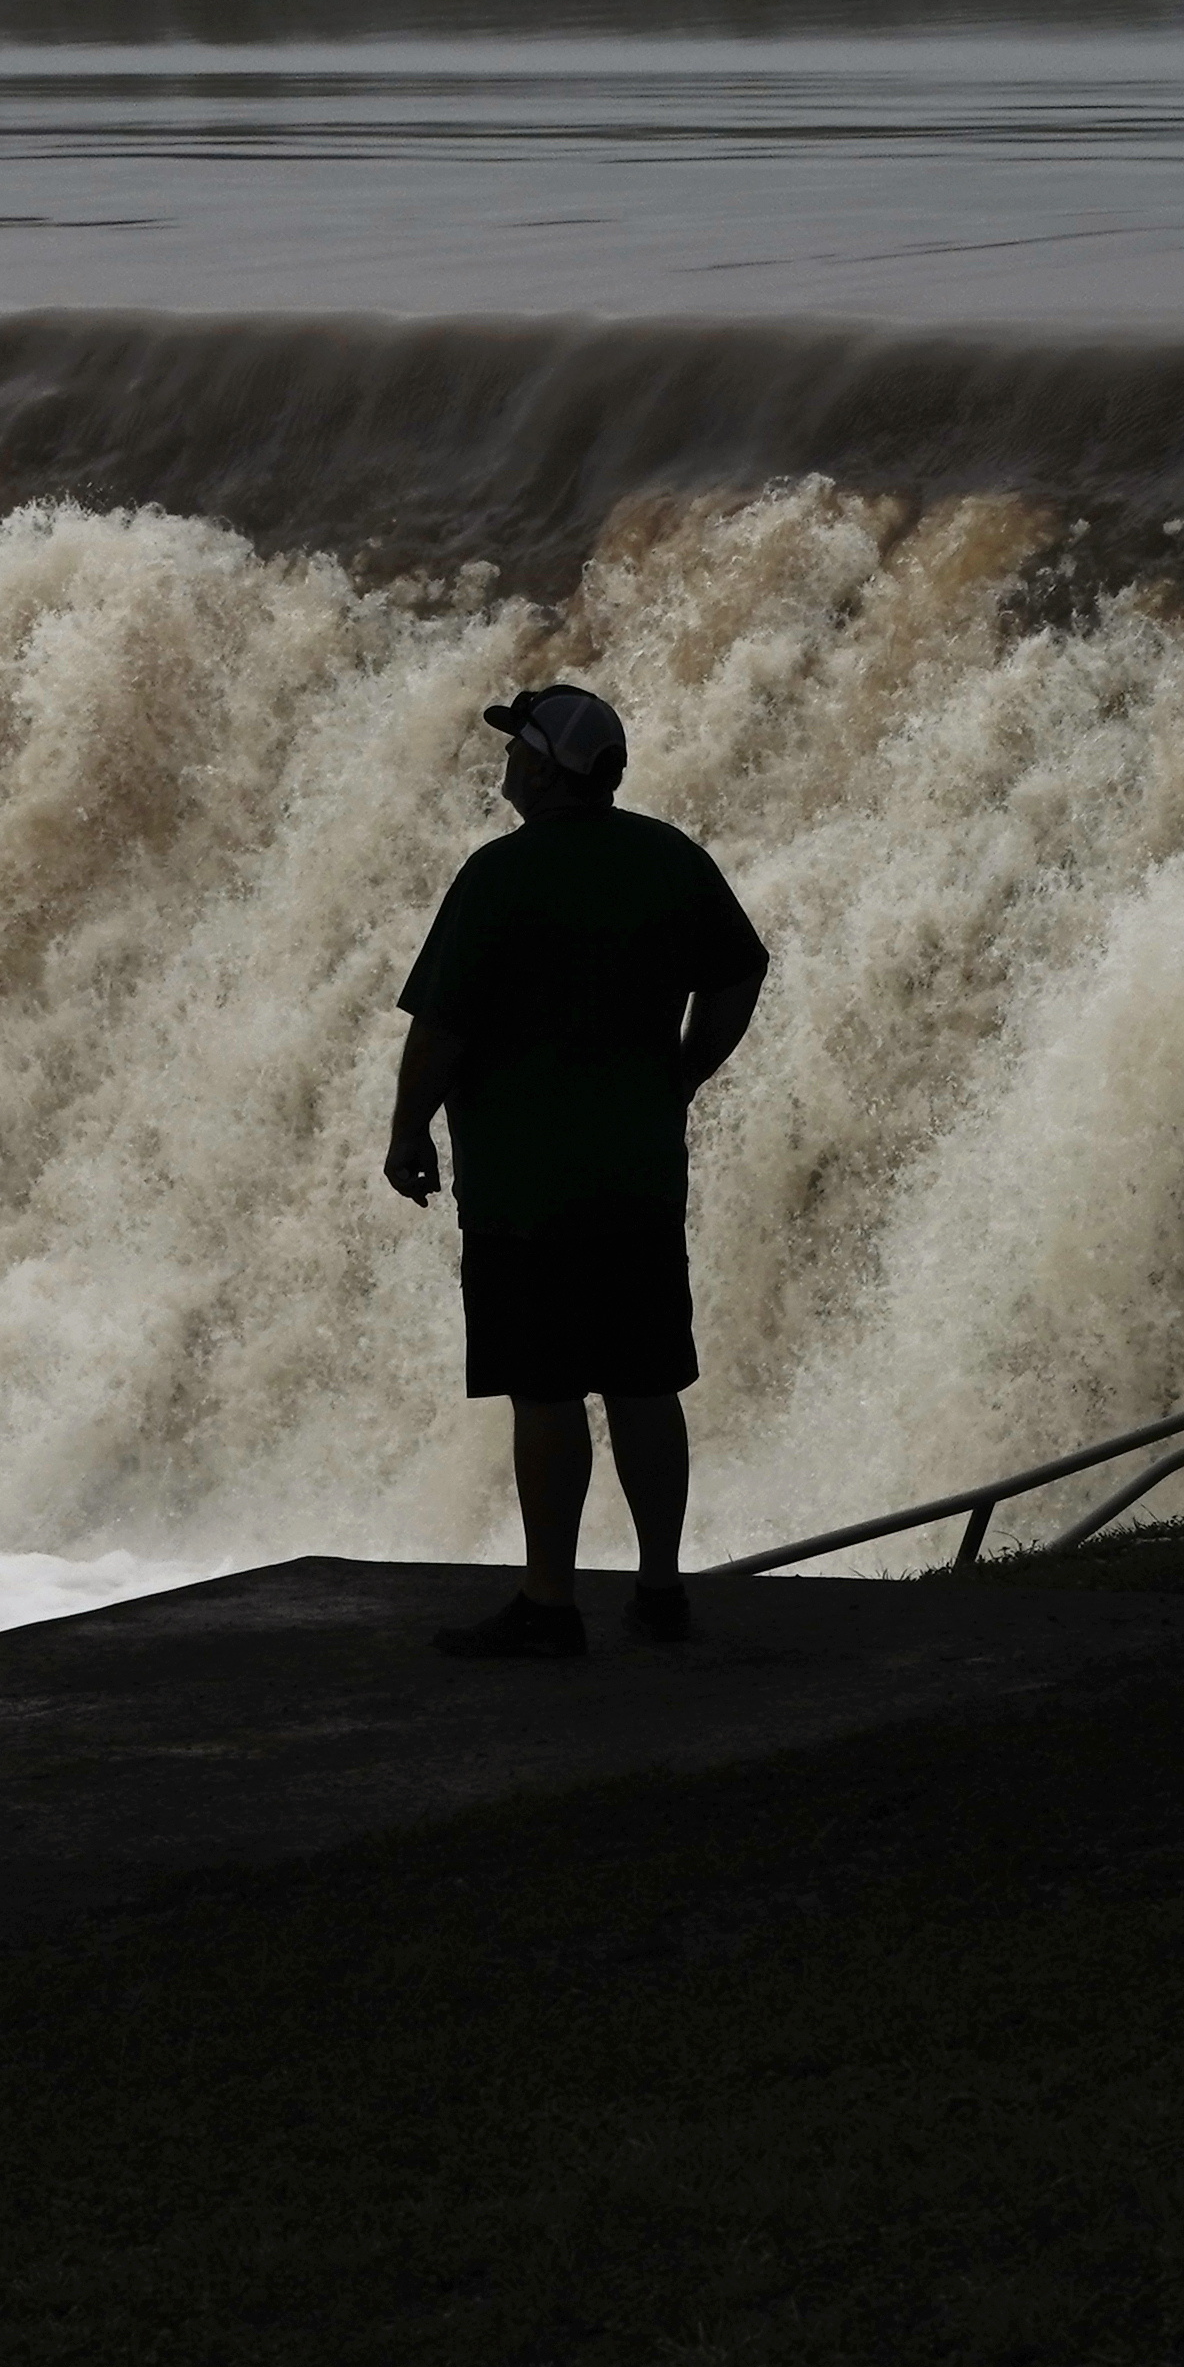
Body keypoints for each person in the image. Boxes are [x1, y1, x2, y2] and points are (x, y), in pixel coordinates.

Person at [380, 681, 767, 1660]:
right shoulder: (669, 859)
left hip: (526, 1187)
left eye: (520, 751)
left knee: (546, 1391)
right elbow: (738, 972)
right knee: (644, 1382)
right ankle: (661, 1589)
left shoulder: (501, 876)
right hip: (637, 1176)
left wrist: (407, 1128)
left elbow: (442, 1027)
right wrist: (684, 1069)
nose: (508, 763)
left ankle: (550, 1604)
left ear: (549, 770)